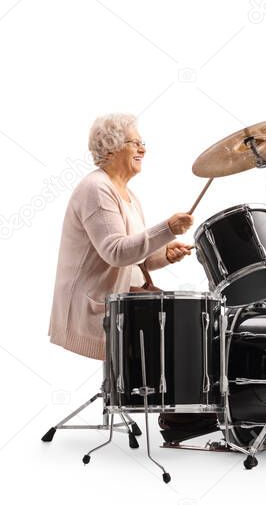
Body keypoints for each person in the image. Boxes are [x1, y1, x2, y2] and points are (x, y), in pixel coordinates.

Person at [49, 112, 193, 359]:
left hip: (127, 303)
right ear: (111, 148)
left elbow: (136, 256)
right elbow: (116, 252)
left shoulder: (129, 195)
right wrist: (167, 229)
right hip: (96, 309)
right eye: (135, 143)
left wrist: (164, 254)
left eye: (142, 143)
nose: (143, 150)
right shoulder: (96, 188)